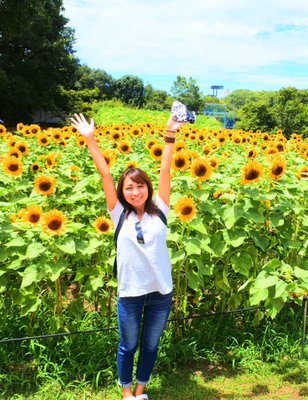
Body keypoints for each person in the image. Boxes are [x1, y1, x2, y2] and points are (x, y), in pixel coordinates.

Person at [71, 112, 186, 400]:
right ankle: (125, 393)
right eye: (130, 187)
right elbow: (105, 173)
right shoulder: (118, 213)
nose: (136, 191)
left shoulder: (161, 209)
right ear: (123, 192)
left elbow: (165, 170)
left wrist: (170, 132)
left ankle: (140, 391)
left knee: (150, 345)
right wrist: (90, 139)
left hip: (160, 291)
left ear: (148, 188)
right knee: (128, 345)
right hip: (130, 293)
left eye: (140, 185)